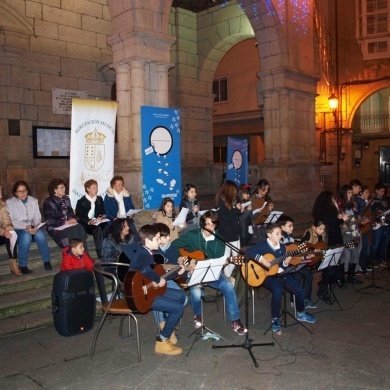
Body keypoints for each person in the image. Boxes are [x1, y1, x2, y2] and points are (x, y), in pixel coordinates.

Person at [172, 210, 247, 336]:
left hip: (213, 272)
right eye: (207, 224)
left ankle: (235, 320)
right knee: (195, 291)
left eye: (213, 225)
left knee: (228, 286)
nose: (210, 228)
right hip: (194, 271)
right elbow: (174, 245)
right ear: (202, 224)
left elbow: (217, 261)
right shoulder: (192, 235)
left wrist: (224, 262)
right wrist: (182, 258)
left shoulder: (219, 240)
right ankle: (198, 315)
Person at [245, 223, 316, 334]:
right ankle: (275, 319)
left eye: (280, 234)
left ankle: (301, 313)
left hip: (280, 274)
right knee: (278, 291)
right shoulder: (263, 245)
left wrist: (286, 262)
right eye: (277, 234)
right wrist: (262, 258)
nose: (280, 236)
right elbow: (248, 252)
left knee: (300, 290)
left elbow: (281, 266)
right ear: (269, 235)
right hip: (266, 276)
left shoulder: (283, 248)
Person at [130, 224, 186, 355]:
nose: (159, 241)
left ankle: (166, 325)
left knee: (181, 296)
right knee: (178, 308)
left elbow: (155, 272)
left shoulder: (148, 252)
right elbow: (145, 270)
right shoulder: (144, 254)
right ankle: (162, 340)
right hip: (142, 296)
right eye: (157, 239)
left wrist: (178, 272)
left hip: (149, 290)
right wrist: (157, 279)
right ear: (148, 241)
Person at [6, 180, 52, 274]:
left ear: (28, 191)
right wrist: (26, 227)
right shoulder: (10, 203)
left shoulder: (33, 201)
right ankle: (22, 266)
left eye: (24, 190)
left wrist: (34, 226)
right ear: (15, 193)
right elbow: (11, 221)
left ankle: (47, 261)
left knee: (41, 235)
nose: (23, 193)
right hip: (18, 229)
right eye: (20, 191)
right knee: (26, 236)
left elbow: (37, 217)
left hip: (32, 228)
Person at [278, 215, 317, 309]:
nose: (292, 227)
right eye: (290, 226)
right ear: (282, 227)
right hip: (282, 266)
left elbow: (294, 255)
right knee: (297, 274)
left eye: (293, 225)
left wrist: (304, 256)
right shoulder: (280, 237)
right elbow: (283, 255)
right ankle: (295, 299)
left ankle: (306, 298)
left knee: (308, 273)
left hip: (292, 263)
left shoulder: (290, 237)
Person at [312, 190, 348, 288]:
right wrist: (341, 219)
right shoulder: (325, 210)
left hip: (334, 235)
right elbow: (331, 222)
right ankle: (332, 280)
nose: (333, 200)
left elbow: (333, 220)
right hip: (331, 237)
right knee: (331, 259)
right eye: (332, 198)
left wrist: (339, 217)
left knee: (336, 259)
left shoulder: (326, 210)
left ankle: (337, 279)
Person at [43, 178, 88, 249]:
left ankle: (84, 253)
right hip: (55, 226)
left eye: (64, 187)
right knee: (71, 230)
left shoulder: (66, 199)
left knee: (79, 227)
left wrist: (74, 219)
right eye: (61, 187)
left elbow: (70, 213)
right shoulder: (48, 202)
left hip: (67, 224)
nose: (64, 189)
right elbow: (49, 220)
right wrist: (64, 222)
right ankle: (73, 254)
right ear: (55, 190)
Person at [60, 237, 108, 304]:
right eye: (81, 247)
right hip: (71, 281)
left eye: (83, 246)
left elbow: (90, 264)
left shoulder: (84, 255)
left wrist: (90, 273)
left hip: (83, 277)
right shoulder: (67, 258)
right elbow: (70, 271)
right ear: (73, 249)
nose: (83, 248)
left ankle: (92, 300)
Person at [76, 179, 110, 258]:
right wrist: (89, 221)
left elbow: (103, 211)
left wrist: (101, 216)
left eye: (97, 187)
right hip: (87, 224)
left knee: (107, 226)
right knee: (97, 228)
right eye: (94, 187)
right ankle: (100, 252)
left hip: (98, 222)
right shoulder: (81, 202)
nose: (96, 189)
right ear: (88, 189)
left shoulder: (99, 199)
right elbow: (79, 216)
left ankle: (107, 249)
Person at [215, 180, 241, 278]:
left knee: (236, 257)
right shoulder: (221, 201)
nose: (235, 192)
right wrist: (236, 210)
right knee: (226, 257)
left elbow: (235, 214)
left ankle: (230, 277)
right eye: (234, 190)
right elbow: (225, 217)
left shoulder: (234, 199)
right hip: (227, 232)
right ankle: (227, 276)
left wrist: (239, 210)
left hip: (235, 231)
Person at [336, 184, 362, 284]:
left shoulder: (353, 204)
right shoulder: (340, 205)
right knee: (345, 255)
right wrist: (344, 223)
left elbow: (355, 216)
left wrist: (358, 219)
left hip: (353, 232)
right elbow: (339, 219)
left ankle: (351, 276)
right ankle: (341, 278)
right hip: (345, 234)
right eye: (349, 193)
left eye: (351, 192)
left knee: (355, 253)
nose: (351, 195)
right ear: (344, 193)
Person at [301, 219, 330, 303]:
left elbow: (322, 246)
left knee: (329, 267)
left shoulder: (322, 235)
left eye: (323, 229)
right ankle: (307, 297)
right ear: (314, 227)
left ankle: (322, 290)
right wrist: (313, 249)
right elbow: (302, 247)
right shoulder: (308, 233)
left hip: (318, 258)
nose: (322, 231)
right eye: (320, 229)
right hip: (309, 260)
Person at [104, 175, 138, 240]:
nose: (121, 186)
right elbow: (107, 210)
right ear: (113, 186)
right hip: (115, 219)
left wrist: (131, 214)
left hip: (126, 218)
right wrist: (113, 218)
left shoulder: (126, 195)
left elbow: (131, 206)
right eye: (119, 185)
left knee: (133, 231)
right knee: (117, 229)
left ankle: (135, 247)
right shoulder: (109, 197)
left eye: (122, 184)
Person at [0, 188, 19, 275]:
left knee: (11, 234)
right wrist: (2, 231)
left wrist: (8, 229)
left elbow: (6, 220)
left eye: (1, 193)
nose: (1, 196)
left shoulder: (1, 204)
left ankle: (13, 263)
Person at [370, 183, 389, 268]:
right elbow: (372, 212)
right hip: (378, 224)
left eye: (384, 191)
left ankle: (382, 260)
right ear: (376, 191)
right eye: (381, 191)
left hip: (386, 223)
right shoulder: (373, 201)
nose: (382, 193)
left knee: (384, 243)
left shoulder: (385, 200)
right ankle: (373, 260)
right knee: (376, 244)